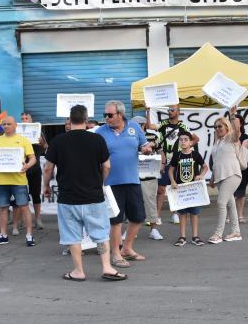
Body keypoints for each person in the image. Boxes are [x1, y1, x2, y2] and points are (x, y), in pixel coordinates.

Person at [43, 104, 127, 281]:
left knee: (72, 236)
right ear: (86, 120)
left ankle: (78, 271)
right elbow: (107, 166)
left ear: (69, 119)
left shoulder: (58, 141)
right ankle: (107, 267)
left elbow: (48, 168)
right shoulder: (97, 140)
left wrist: (46, 186)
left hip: (68, 198)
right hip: (93, 196)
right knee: (101, 233)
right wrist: (100, 183)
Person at [95, 100, 153, 266]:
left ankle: (127, 248)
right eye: (105, 115)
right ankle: (115, 254)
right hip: (110, 183)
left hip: (132, 180)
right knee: (115, 220)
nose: (106, 118)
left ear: (120, 114)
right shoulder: (100, 132)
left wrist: (147, 149)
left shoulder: (134, 128)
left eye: (110, 115)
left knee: (138, 217)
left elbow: (144, 145)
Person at [0, 116, 37, 247]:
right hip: (2, 180)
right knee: (2, 208)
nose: (6, 126)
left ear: (15, 125)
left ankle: (29, 235)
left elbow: (33, 158)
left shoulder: (23, 140)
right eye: (4, 124)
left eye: (9, 124)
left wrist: (27, 166)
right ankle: (3, 235)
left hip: (19, 180)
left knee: (24, 207)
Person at [149, 105, 197, 226]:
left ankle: (175, 213)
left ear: (178, 112)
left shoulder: (183, 126)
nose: (169, 111)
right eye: (169, 110)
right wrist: (147, 111)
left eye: (172, 110)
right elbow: (150, 126)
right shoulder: (163, 123)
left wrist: (186, 148)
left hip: (177, 160)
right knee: (161, 189)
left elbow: (195, 139)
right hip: (163, 160)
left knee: (176, 187)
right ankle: (157, 216)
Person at [169, 131, 208, 246]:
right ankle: (182, 236)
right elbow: (171, 170)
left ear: (191, 142)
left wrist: (201, 175)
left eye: (186, 139)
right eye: (181, 139)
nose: (183, 141)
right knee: (182, 213)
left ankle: (195, 236)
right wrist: (172, 181)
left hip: (193, 190)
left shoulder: (195, 155)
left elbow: (205, 167)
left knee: (194, 213)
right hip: (181, 190)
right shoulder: (177, 155)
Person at [208, 113, 243, 243]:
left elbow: (237, 130)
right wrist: (212, 177)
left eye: (220, 126)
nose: (217, 129)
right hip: (220, 177)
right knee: (230, 204)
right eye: (215, 127)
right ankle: (236, 232)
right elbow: (216, 160)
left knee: (221, 202)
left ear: (227, 127)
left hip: (232, 174)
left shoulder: (230, 138)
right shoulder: (217, 141)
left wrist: (233, 116)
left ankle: (218, 234)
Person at [133, 115, 164, 241]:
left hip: (150, 175)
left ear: (142, 125)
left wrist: (162, 164)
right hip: (134, 176)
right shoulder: (129, 138)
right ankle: (133, 231)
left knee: (150, 202)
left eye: (136, 125)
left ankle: (154, 229)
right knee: (134, 204)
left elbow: (161, 152)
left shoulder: (153, 136)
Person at [19, 112, 46, 230]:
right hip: (20, 169)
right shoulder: (17, 132)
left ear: (31, 119)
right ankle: (21, 220)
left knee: (35, 194)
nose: (24, 120)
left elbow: (46, 147)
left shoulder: (38, 131)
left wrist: (41, 142)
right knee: (20, 195)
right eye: (22, 118)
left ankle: (38, 219)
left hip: (34, 168)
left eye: (26, 118)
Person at [232, 114, 248, 223]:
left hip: (242, 168)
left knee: (241, 193)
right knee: (230, 193)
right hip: (230, 167)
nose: (234, 124)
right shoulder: (227, 136)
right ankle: (229, 216)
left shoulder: (245, 136)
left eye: (236, 122)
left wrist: (235, 139)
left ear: (241, 124)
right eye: (232, 122)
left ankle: (240, 215)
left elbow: (242, 149)